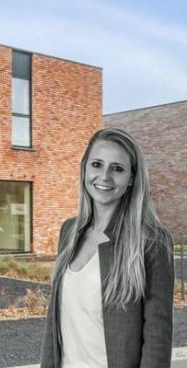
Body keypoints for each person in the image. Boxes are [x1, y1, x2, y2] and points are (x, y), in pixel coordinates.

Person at [41, 128, 174, 368]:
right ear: (84, 169)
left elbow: (158, 337)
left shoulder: (152, 241)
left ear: (132, 178)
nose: (104, 176)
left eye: (118, 169)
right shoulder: (69, 231)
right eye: (97, 164)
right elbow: (54, 322)